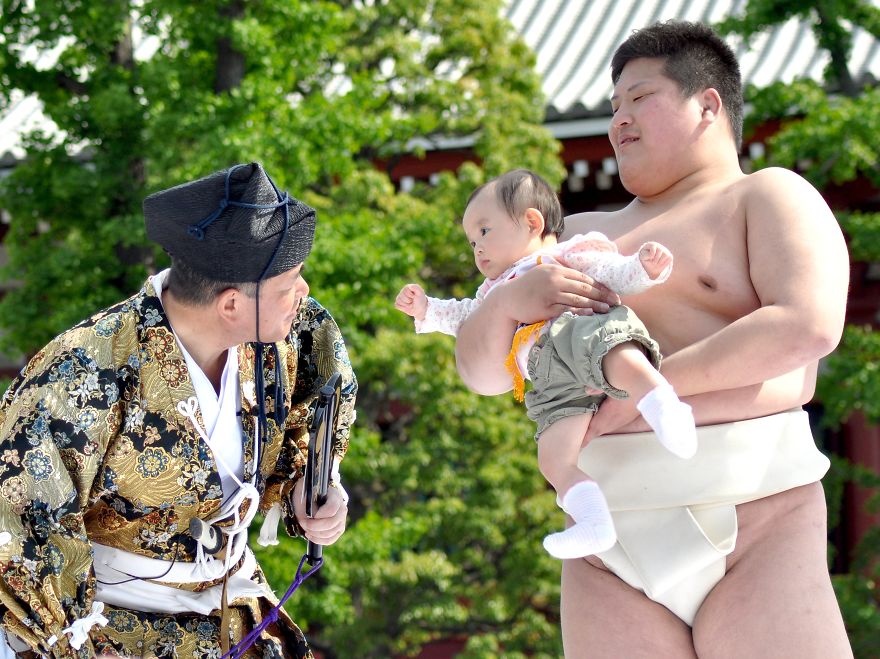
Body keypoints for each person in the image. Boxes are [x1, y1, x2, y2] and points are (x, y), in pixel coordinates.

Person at [455, 20, 853, 658]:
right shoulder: (573, 238)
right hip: (610, 545)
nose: (618, 122)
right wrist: (506, 301)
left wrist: (646, 391)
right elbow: (484, 375)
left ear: (708, 105)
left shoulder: (767, 196)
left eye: (639, 99)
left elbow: (807, 325)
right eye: (614, 107)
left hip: (756, 519)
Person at [0, 162, 357, 658]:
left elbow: (310, 418)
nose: (305, 293)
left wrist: (310, 490)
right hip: (111, 626)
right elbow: (19, 521)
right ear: (231, 305)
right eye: (289, 283)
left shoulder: (286, 336)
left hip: (234, 610)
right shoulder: (83, 371)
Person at [395, 169, 696, 560]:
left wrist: (642, 269)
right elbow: (465, 317)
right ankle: (593, 522)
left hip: (580, 329)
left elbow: (611, 274)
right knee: (553, 458)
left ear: (532, 222)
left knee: (616, 354)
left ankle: (665, 408)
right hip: (549, 376)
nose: (477, 250)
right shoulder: (493, 290)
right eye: (471, 242)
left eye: (484, 232)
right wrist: (426, 309)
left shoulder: (563, 255)